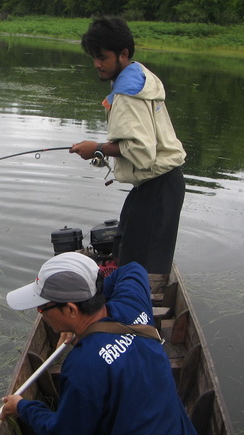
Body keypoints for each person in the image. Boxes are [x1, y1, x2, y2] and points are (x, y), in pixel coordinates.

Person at [0, 252, 196, 434]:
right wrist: (92, 295)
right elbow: (133, 269)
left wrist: (23, 407)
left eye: (42, 308)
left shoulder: (82, 366)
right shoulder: (132, 304)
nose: (41, 313)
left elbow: (63, 431)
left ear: (71, 310)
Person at [69, 17, 186, 286]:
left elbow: (140, 151)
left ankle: (137, 323)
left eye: (102, 57)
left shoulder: (127, 94)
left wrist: (95, 148)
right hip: (159, 185)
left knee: (142, 270)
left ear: (123, 54)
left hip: (158, 187)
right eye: (94, 57)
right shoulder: (140, 75)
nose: (97, 64)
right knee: (125, 247)